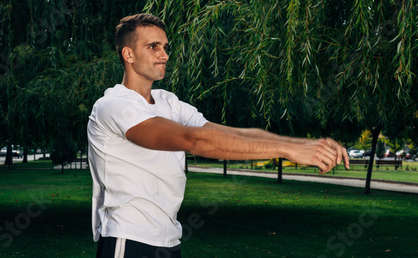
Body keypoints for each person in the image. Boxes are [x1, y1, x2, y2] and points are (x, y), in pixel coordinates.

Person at [87, 13, 350, 258]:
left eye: (166, 47)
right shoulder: (114, 105)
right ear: (128, 54)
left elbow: (230, 133)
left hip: (167, 239)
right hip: (128, 239)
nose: (165, 55)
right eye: (153, 47)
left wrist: (298, 143)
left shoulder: (168, 102)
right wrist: (287, 152)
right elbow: (193, 140)